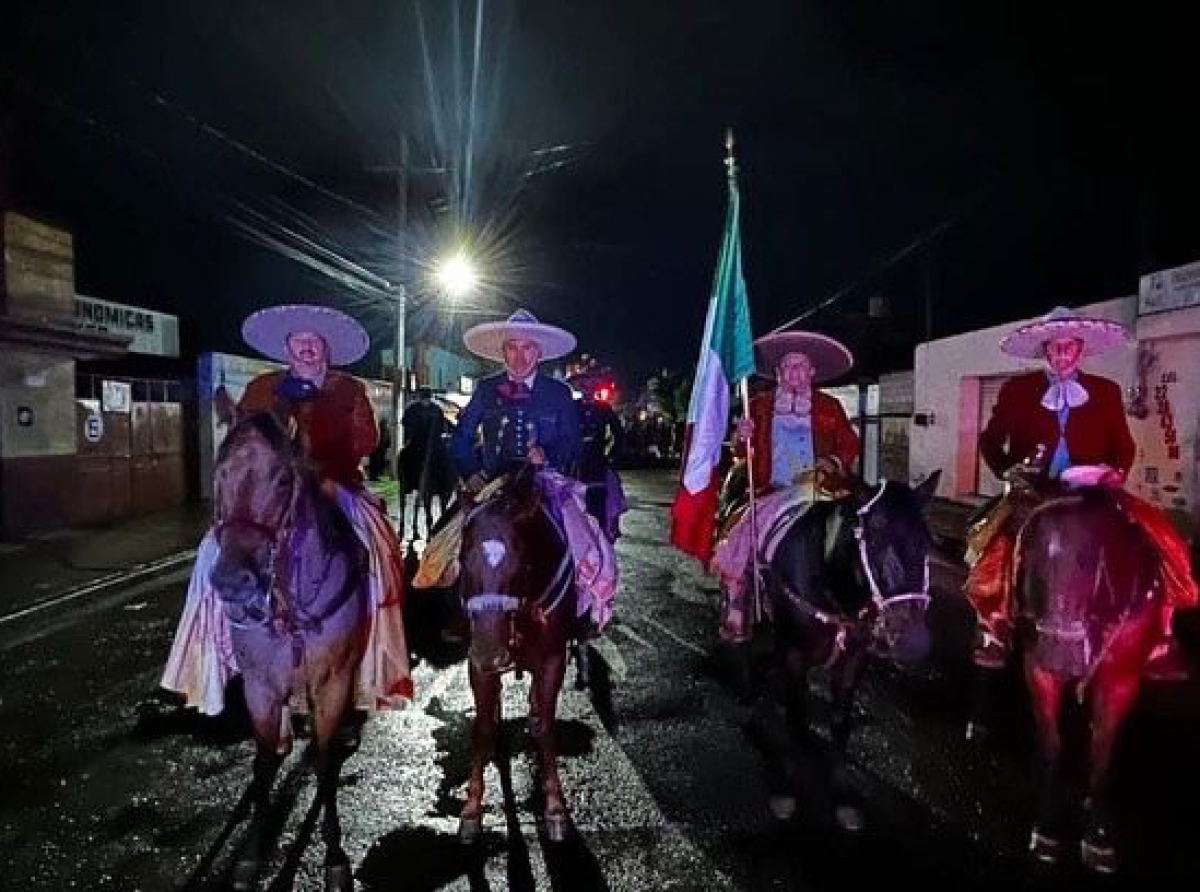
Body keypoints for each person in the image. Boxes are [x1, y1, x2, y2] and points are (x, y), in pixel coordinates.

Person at [161, 304, 412, 716]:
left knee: (380, 544)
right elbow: (245, 436)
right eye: (299, 343)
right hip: (270, 493)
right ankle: (210, 656)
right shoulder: (263, 388)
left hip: (334, 486)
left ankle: (372, 643)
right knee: (213, 554)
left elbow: (365, 440)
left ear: (326, 350)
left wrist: (325, 470)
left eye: (314, 343)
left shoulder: (349, 390)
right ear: (287, 349)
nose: (307, 349)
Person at [966, 306, 1197, 679]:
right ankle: (994, 627)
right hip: (1034, 491)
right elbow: (990, 441)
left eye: (1069, 347)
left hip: (1092, 489)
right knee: (991, 543)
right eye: (1055, 348)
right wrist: (1009, 471)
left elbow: (1123, 445)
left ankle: (1161, 637)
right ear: (1045, 351)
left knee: (1159, 534)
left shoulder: (1105, 391)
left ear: (1081, 350)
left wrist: (1116, 471)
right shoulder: (1016, 390)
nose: (1062, 355)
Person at [418, 309, 617, 632]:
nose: (520, 356)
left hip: (545, 482)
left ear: (538, 353)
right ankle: (450, 616)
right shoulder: (485, 389)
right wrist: (471, 473)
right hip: (493, 482)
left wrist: (548, 454)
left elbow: (573, 443)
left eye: (527, 348)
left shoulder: (559, 393)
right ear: (503, 352)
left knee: (585, 538)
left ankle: (582, 611)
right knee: (445, 535)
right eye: (513, 347)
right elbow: (462, 439)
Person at [712, 331, 860, 642]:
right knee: (742, 529)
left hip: (823, 490)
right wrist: (741, 436)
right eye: (788, 367)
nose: (795, 373)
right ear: (779, 373)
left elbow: (849, 444)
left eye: (801, 366)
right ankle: (738, 598)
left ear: (812, 372)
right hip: (775, 490)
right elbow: (741, 453)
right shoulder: (760, 406)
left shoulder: (830, 407)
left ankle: (869, 604)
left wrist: (834, 460)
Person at [569, 371, 627, 541]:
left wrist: (611, 457)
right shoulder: (572, 407)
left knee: (600, 507)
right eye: (582, 385)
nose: (587, 388)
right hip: (574, 466)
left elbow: (619, 434)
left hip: (597, 464)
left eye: (590, 384)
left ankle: (602, 541)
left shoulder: (604, 408)